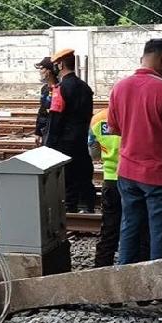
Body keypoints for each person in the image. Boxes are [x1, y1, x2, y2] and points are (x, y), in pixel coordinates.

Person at [107, 38, 162, 264]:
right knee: (160, 234)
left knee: (130, 229)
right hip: (160, 175)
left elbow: (113, 128)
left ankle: (125, 284)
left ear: (142, 57)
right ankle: (158, 291)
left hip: (126, 172)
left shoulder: (119, 87)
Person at [89, 108, 150, 267]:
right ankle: (142, 267)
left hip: (111, 180)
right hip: (135, 179)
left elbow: (93, 153)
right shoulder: (136, 114)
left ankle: (101, 270)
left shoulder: (97, 119)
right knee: (142, 228)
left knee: (109, 230)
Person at [45, 48, 96, 213]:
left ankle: (70, 208)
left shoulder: (60, 89)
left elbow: (56, 118)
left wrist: (49, 143)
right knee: (83, 173)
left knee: (68, 178)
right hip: (81, 139)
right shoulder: (85, 88)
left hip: (64, 142)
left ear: (60, 65)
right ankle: (88, 205)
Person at [34, 57, 58, 147]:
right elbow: (42, 111)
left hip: (56, 132)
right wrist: (38, 132)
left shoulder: (60, 88)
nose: (40, 71)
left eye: (42, 68)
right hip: (46, 131)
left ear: (49, 71)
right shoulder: (44, 89)